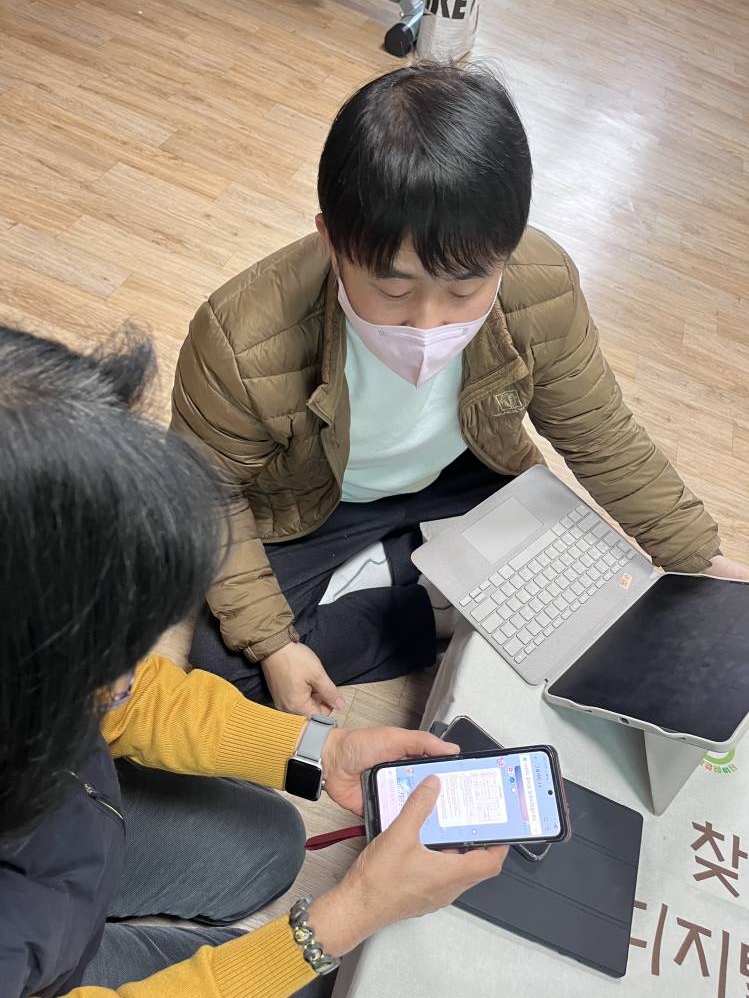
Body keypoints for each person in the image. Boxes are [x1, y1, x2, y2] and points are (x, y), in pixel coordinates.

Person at [175, 62, 749, 717]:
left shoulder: (539, 283)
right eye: (392, 289)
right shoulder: (239, 335)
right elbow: (204, 494)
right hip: (311, 500)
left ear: (505, 252)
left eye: (465, 289)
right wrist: (277, 644)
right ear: (330, 239)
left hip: (466, 471)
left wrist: (698, 558)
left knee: (595, 602)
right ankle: (431, 600)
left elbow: (598, 431)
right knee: (231, 672)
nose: (429, 324)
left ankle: (418, 566)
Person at [0, 325, 506, 998]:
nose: (127, 680)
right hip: (38, 950)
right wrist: (339, 921)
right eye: (104, 665)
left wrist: (318, 751)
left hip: (58, 840)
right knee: (311, 982)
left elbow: (132, 700)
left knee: (268, 843)